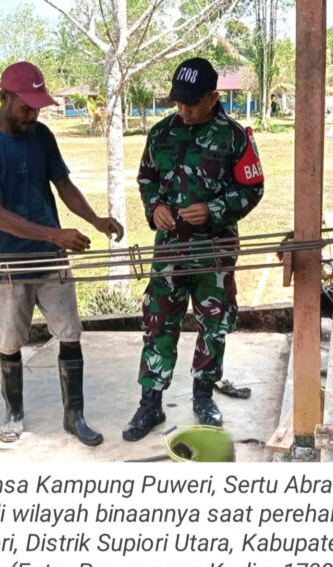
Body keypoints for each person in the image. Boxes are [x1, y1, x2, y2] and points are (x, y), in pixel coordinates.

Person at [0, 61, 123, 445]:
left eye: (37, 108)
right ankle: (14, 413)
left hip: (52, 259)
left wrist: (96, 220)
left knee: (70, 333)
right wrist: (55, 234)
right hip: (7, 262)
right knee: (9, 341)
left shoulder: (42, 136)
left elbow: (63, 185)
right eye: (26, 107)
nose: (33, 115)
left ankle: (74, 415)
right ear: (4, 97)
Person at [123, 57, 265, 442]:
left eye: (191, 103)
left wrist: (214, 210)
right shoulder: (161, 133)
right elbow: (146, 179)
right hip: (170, 252)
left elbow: (252, 188)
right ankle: (150, 403)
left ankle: (204, 396)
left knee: (214, 325)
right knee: (158, 324)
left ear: (213, 97)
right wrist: (155, 207)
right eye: (178, 102)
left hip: (214, 253)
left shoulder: (234, 137)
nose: (183, 111)